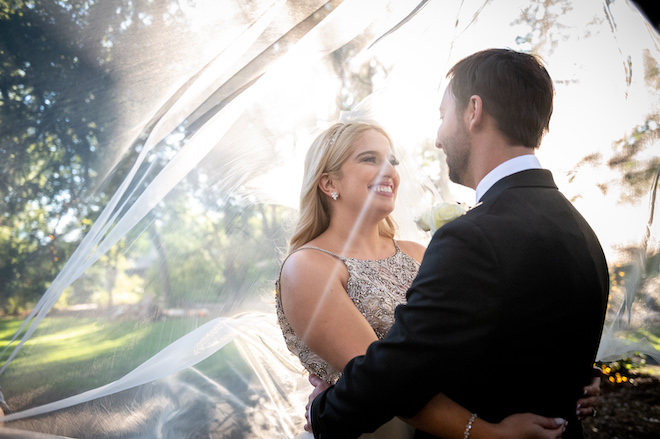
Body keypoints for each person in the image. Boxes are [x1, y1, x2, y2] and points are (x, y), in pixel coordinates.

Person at [307, 48, 609, 439]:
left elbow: (405, 366)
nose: (437, 139)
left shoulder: (475, 236)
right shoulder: (581, 230)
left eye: (442, 116)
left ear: (473, 111)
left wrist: (323, 412)